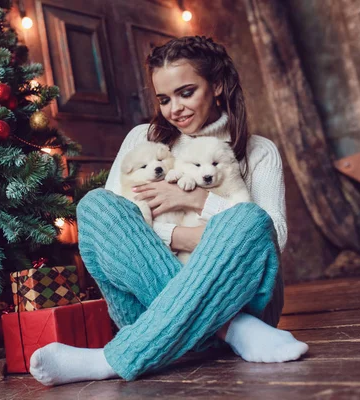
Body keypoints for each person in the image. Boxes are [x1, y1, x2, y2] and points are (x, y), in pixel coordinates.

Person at [29, 36, 309, 386]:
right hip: (149, 308)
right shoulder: (141, 140)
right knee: (96, 205)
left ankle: (112, 359)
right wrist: (180, 235)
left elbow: (273, 238)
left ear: (218, 85)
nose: (174, 108)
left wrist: (195, 202)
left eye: (186, 92)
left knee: (251, 219)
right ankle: (231, 329)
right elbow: (117, 232)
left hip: (245, 300)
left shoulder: (259, 152)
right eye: (164, 99)